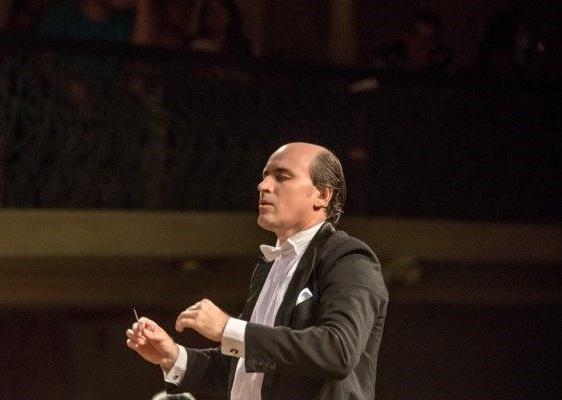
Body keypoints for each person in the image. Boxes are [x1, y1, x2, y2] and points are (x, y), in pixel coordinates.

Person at [126, 142, 388, 399]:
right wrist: (173, 356)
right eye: (265, 176)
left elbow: (338, 350)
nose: (263, 186)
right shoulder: (269, 266)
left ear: (323, 195)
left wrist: (228, 327)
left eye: (281, 177)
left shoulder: (348, 258)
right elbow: (247, 367)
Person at [374, 11, 452, 81]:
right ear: (405, 36)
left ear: (435, 44)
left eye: (428, 39)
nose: (420, 43)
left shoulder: (442, 69)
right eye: (415, 36)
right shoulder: (387, 62)